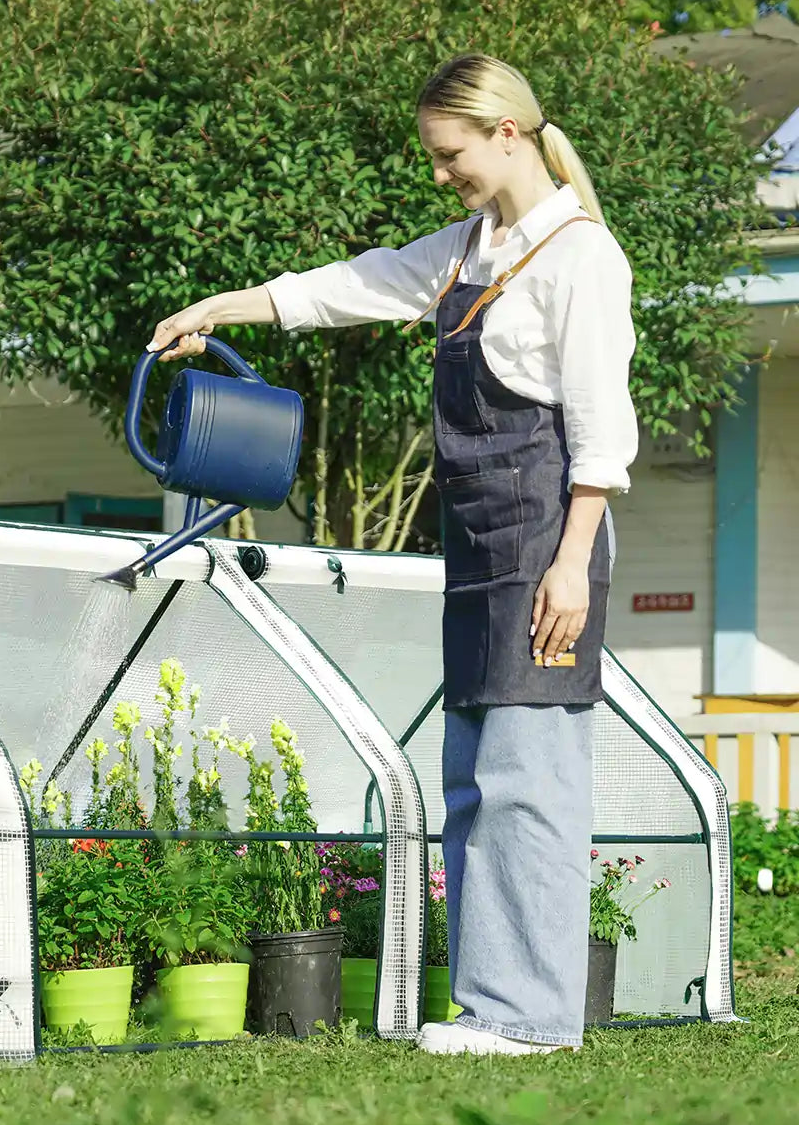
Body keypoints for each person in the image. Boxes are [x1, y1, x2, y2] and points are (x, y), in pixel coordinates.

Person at [146, 53, 638, 1055]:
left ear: (506, 131)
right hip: (481, 546)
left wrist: (572, 564)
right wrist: (214, 309)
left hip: (549, 539)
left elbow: (600, 428)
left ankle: (532, 1019)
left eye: (449, 153)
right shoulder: (470, 249)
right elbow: (350, 286)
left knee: (529, 778)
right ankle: (497, 1005)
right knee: (474, 777)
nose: (439, 172)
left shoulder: (582, 258)